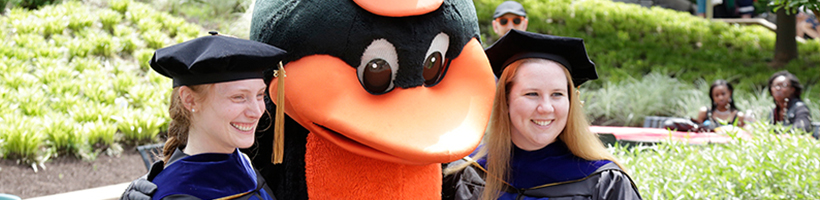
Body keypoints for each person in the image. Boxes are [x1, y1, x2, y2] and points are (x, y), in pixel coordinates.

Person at [442, 29, 641, 200]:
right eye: (532, 94)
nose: (546, 108)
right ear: (506, 100)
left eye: (557, 94)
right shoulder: (466, 173)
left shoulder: (604, 183)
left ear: (571, 101)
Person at [124, 35, 286, 200]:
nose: (257, 111)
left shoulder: (243, 164)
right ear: (189, 99)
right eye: (239, 97)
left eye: (260, 95)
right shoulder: (177, 193)